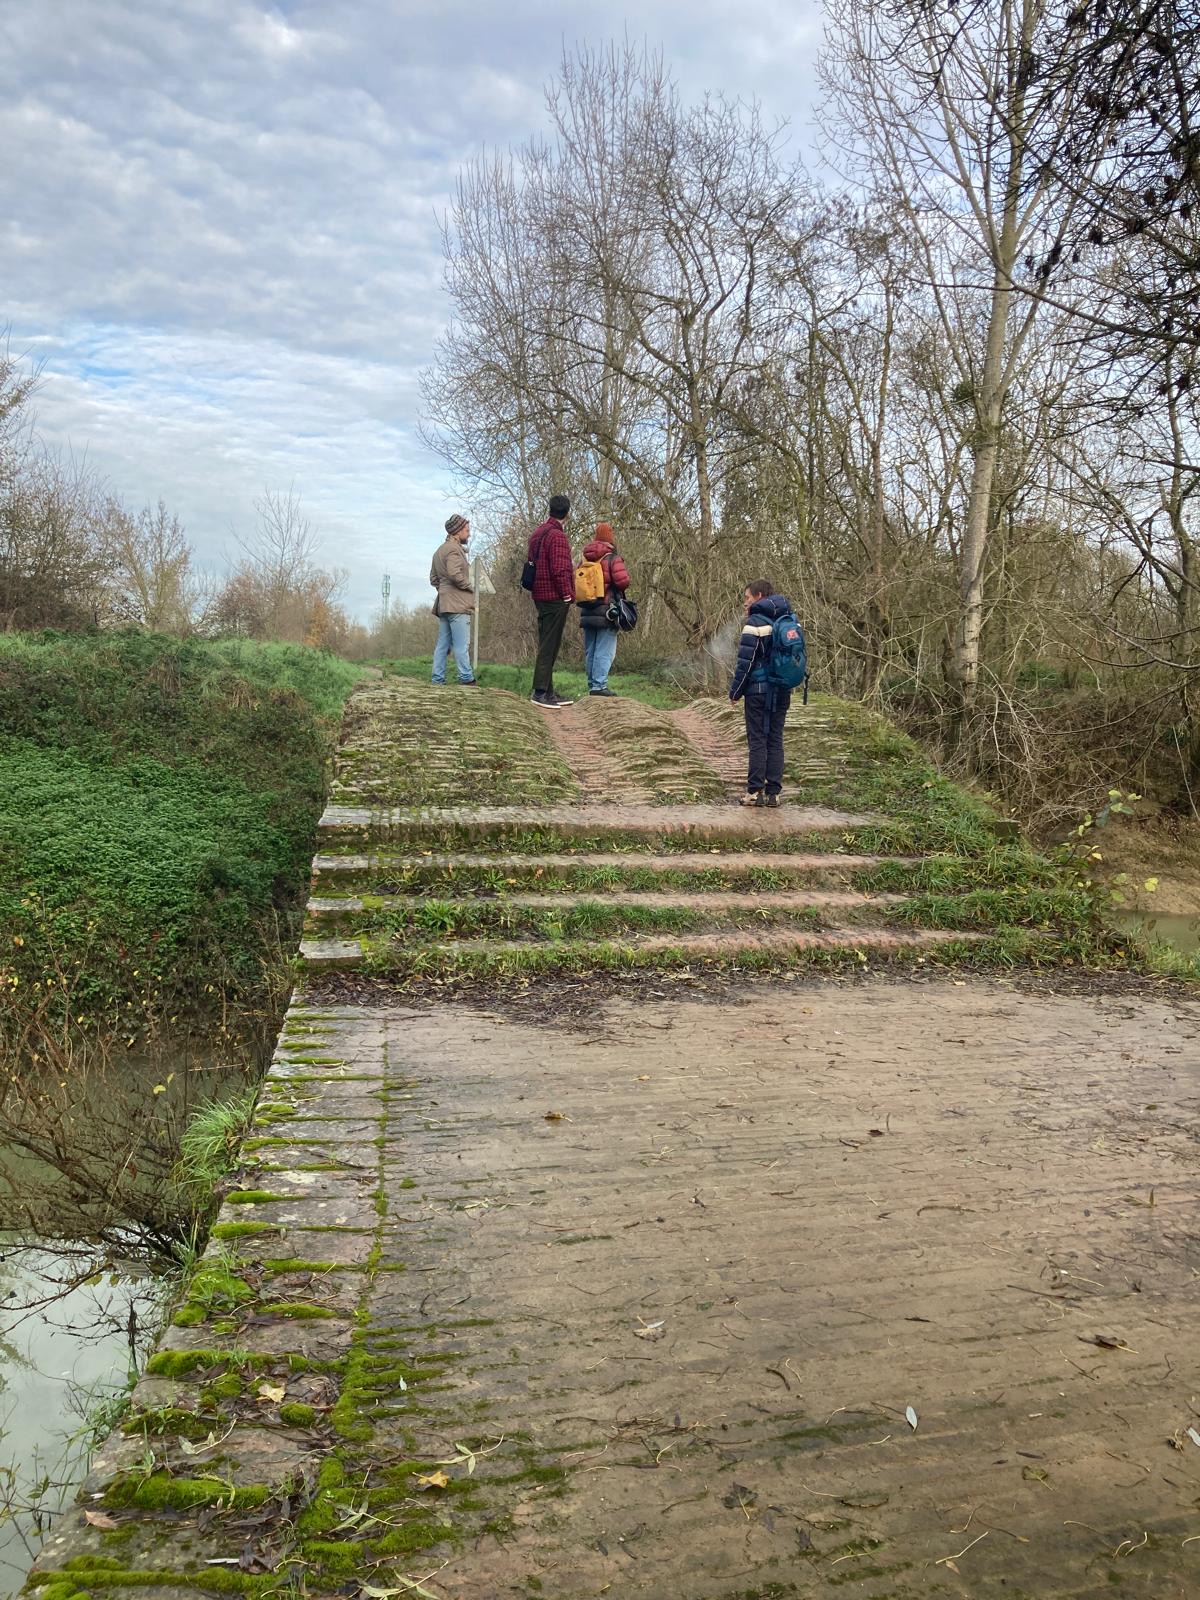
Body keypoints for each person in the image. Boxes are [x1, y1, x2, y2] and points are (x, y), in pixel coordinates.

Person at [728, 579, 797, 808]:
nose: (744, 603)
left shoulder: (754, 623)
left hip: (758, 691)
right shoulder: (788, 620)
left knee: (757, 740)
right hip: (782, 688)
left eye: (747, 597)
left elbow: (745, 664)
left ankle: (755, 791)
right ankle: (774, 793)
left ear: (758, 596)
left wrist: (735, 692)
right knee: (775, 739)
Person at [526, 494, 575, 708]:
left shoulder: (538, 533)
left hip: (538, 594)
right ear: (567, 513)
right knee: (549, 644)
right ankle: (539, 692)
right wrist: (568, 594)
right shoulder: (557, 536)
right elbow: (560, 569)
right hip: (554, 597)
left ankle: (548, 691)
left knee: (548, 641)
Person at [576, 522, 632, 697]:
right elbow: (623, 581)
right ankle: (600, 686)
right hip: (608, 611)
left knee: (591, 649)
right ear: (610, 537)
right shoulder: (612, 558)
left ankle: (593, 684)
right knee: (605, 650)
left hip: (587, 610)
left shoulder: (584, 559)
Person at [429, 513, 477, 686]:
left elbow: (433, 579)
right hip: (458, 605)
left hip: (444, 604)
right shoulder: (453, 550)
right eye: (467, 530)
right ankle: (466, 677)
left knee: (442, 645)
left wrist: (444, 591)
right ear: (457, 532)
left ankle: (437, 679)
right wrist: (470, 587)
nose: (469, 534)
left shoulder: (438, 551)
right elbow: (454, 573)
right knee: (461, 644)